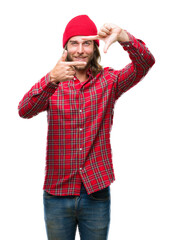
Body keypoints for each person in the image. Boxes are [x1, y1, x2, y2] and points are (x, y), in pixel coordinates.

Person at [18, 15, 155, 240]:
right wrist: (51, 79)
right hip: (57, 192)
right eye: (74, 42)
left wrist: (124, 38)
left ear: (95, 47)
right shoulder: (54, 85)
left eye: (87, 43)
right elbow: (24, 110)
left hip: (96, 191)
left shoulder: (109, 81)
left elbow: (145, 63)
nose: (80, 50)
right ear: (66, 47)